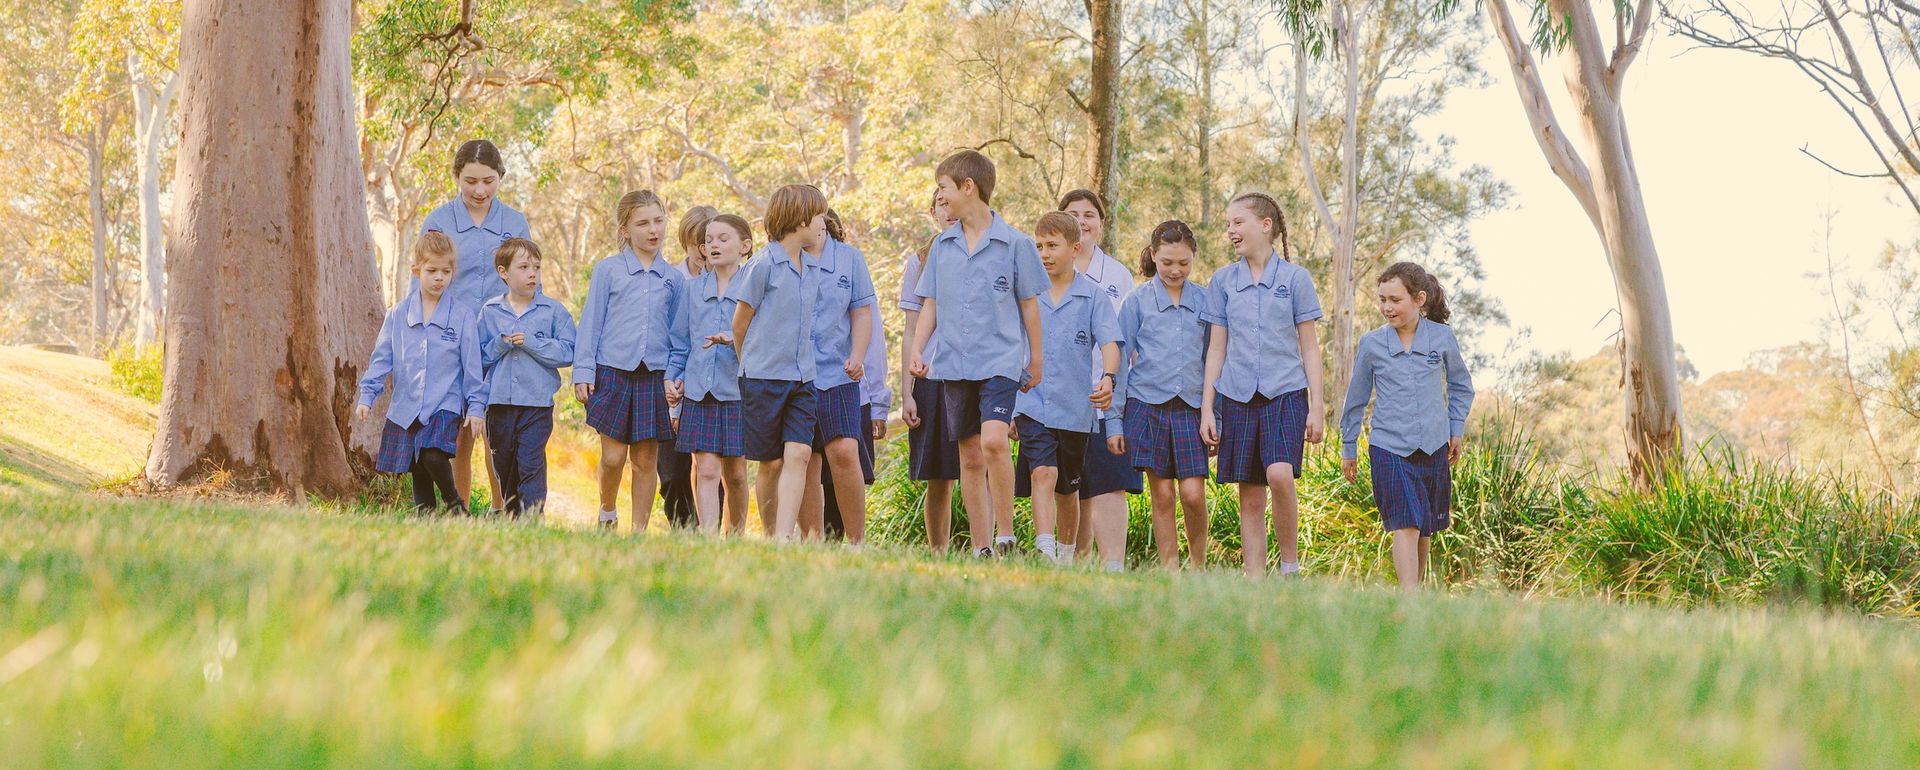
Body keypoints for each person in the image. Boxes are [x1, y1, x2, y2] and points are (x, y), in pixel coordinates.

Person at [907, 150, 1046, 558]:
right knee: (968, 455)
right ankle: (982, 546)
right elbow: (929, 304)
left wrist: (1036, 359)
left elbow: (1030, 307)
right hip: (954, 363)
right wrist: (917, 352)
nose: (941, 196)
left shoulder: (1016, 244)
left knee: (993, 442)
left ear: (969, 188)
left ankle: (1006, 536)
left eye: (945, 188)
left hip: (1001, 361)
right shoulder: (942, 247)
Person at [1200, 192, 1323, 577]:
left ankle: (1289, 567)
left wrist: (1317, 405)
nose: (1230, 230)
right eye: (1228, 224)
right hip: (1236, 395)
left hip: (1285, 393)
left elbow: (1309, 347)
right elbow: (1216, 349)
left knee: (1279, 474)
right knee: (1250, 493)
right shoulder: (1222, 281)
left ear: (1265, 225)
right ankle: (1254, 581)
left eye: (1238, 222)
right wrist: (1208, 407)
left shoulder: (1295, 279)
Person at [1340, 262, 1475, 591]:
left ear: (1419, 299)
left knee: (1424, 530)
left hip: (1433, 446)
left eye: (1395, 300)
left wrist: (1455, 429)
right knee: (1407, 524)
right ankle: (1409, 598)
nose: (1387, 307)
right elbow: (1355, 399)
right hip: (1389, 447)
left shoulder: (1441, 338)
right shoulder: (1372, 345)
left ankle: (1414, 599)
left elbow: (1461, 385)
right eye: (1382, 299)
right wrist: (1349, 446)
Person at [420, 139, 530, 513]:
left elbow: (529, 280)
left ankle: (501, 511)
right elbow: (422, 282)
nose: (480, 190)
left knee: (498, 436)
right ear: (457, 178)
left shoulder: (514, 223)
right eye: (470, 181)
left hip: (502, 341)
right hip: (451, 342)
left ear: (500, 176)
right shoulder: (438, 221)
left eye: (488, 180)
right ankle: (459, 510)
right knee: (459, 434)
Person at [573, 190, 690, 533]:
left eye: (658, 221)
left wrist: (674, 375)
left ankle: (638, 532)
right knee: (612, 458)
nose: (653, 229)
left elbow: (678, 336)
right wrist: (583, 370)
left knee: (645, 461)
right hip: (612, 372)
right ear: (625, 229)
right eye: (643, 223)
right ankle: (607, 511)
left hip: (654, 377)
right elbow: (591, 322)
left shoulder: (674, 279)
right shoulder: (608, 270)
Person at [1012, 212, 1123, 564]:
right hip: (1033, 401)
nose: (1044, 253)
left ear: (1074, 249)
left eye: (1052, 246)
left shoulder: (1093, 297)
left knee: (1067, 489)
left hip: (1077, 410)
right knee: (1043, 472)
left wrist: (1108, 377)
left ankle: (1065, 555)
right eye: (1039, 246)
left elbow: (1110, 344)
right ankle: (1044, 549)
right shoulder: (1026, 294)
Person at [357, 232, 486, 513]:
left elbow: (472, 368)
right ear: (416, 271)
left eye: (446, 271)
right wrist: (367, 396)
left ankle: (455, 505)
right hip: (407, 404)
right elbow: (382, 359)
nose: (439, 278)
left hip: (445, 403)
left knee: (432, 454)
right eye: (432, 271)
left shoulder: (462, 316)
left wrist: (476, 407)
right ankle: (424, 516)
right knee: (417, 465)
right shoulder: (398, 315)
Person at [729, 184, 830, 541]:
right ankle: (772, 536)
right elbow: (739, 324)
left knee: (800, 454)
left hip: (803, 378)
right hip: (761, 377)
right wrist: (750, 365)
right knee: (770, 463)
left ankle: (785, 537)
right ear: (800, 219)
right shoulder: (762, 266)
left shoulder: (813, 267)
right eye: (820, 216)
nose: (824, 222)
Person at [1116, 221, 1212, 569]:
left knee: (1192, 494)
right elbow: (1120, 360)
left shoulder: (1205, 300)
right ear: (1154, 255)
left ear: (1194, 258)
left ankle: (1199, 566)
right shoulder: (1136, 301)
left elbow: (1213, 360)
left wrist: (1213, 413)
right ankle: (1170, 570)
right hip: (1147, 406)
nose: (1175, 270)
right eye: (1167, 261)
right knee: (1163, 494)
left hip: (1191, 408)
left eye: (1183, 263)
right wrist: (1115, 416)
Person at [1057, 188, 1139, 565]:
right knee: (1069, 486)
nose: (1081, 220)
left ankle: (1113, 566)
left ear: (1101, 224)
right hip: (1059, 397)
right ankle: (1072, 562)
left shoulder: (1118, 276)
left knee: (1107, 483)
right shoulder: (1047, 272)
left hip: (1106, 397)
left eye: (1089, 214)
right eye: (1072, 213)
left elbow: (1128, 340)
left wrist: (1120, 392)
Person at [477, 237, 575, 519]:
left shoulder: (553, 311)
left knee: (530, 462)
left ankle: (532, 518)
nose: (532, 273)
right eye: (523, 267)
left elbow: (568, 351)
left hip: (536, 405)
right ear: (503, 272)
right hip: (498, 406)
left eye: (536, 267)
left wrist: (532, 342)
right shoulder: (490, 311)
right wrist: (501, 343)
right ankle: (512, 517)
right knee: (504, 465)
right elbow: (478, 358)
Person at [797, 207, 877, 543]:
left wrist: (857, 356)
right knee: (805, 459)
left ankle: (857, 543)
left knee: (844, 451)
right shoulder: (780, 259)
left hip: (840, 374)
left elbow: (862, 313)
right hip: (796, 375)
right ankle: (813, 542)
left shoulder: (850, 259)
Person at [672, 214, 754, 533]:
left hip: (738, 393)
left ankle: (734, 539)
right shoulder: (692, 291)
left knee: (735, 475)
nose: (713, 245)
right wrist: (672, 378)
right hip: (698, 392)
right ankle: (707, 538)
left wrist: (733, 339)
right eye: (709, 240)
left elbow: (762, 341)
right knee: (705, 469)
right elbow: (679, 343)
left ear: (744, 246)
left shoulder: (754, 288)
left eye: (723, 238)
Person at [897, 193, 966, 551]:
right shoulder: (919, 262)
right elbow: (911, 331)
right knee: (939, 479)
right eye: (941, 203)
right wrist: (907, 392)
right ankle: (939, 554)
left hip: (973, 376)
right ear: (933, 212)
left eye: (952, 201)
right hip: (931, 379)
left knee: (978, 471)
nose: (948, 210)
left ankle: (986, 547)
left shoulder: (988, 254)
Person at [658, 205, 720, 529]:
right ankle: (684, 531)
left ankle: (711, 534)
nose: (702, 252)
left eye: (708, 243)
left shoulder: (728, 283)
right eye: (697, 243)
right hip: (671, 384)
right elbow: (669, 337)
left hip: (711, 388)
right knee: (670, 472)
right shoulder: (671, 280)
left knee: (711, 469)